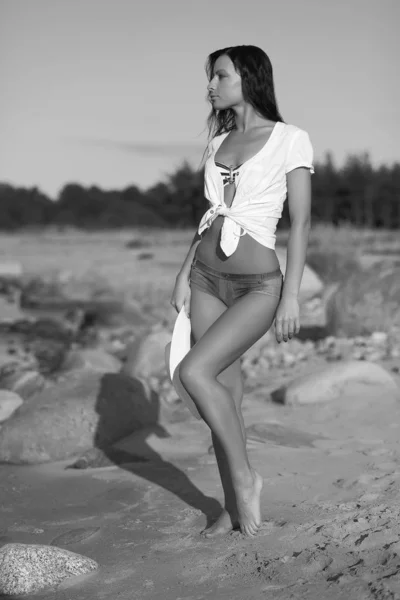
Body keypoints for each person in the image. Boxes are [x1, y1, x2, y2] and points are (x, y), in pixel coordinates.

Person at [170, 45, 314, 538]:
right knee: (222, 394)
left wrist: (291, 295)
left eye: (219, 76)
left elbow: (301, 222)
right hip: (206, 279)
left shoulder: (290, 139)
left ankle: (246, 479)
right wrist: (184, 273)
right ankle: (232, 506)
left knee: (194, 373)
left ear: (248, 78)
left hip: (258, 285)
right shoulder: (218, 143)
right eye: (210, 77)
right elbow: (210, 216)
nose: (210, 86)